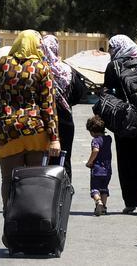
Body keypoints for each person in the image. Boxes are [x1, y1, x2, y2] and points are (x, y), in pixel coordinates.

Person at [0, 29, 61, 209]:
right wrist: (55, 138)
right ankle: (32, 218)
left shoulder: (2, 64)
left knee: (9, 180)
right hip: (36, 131)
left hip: (7, 131)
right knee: (34, 181)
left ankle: (10, 217)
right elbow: (48, 106)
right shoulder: (42, 67)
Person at [102, 35, 137, 216]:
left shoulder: (113, 66)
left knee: (126, 158)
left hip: (124, 118)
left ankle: (131, 201)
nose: (110, 51)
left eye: (112, 48)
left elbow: (107, 93)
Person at [41, 34, 84, 179]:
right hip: (65, 120)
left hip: (42, 120)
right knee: (64, 159)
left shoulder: (36, 68)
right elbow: (79, 94)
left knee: (42, 160)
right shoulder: (67, 70)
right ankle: (63, 195)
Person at [85, 115, 112, 216]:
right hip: (108, 170)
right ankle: (104, 207)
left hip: (97, 169)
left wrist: (89, 162)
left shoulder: (95, 140)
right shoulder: (108, 139)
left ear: (92, 132)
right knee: (104, 188)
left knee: (95, 189)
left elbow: (96, 150)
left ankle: (98, 202)